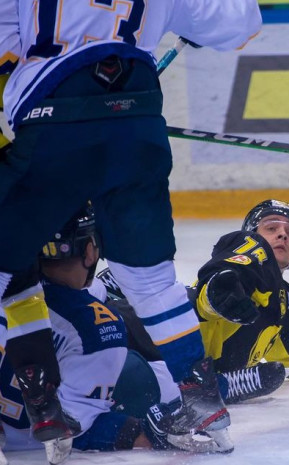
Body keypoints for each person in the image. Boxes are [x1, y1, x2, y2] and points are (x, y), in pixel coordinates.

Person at [0, 0, 262, 454]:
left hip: (52, 118)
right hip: (137, 116)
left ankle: (41, 397)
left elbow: (7, 46)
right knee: (150, 278)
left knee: (7, 264)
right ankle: (201, 396)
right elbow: (240, 23)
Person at [0, 206, 228, 464]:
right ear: (89, 250)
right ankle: (227, 382)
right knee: (140, 375)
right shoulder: (97, 324)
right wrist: (145, 432)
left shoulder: (8, 284)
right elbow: (74, 429)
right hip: (34, 440)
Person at [97, 199, 289, 386]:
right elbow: (208, 297)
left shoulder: (284, 302)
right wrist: (220, 288)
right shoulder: (237, 261)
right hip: (127, 333)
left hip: (154, 367)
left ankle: (215, 383)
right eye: (271, 227)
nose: (282, 235)